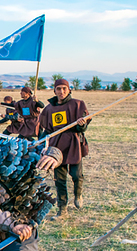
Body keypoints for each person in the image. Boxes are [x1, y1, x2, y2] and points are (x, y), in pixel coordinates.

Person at [38, 78, 90, 219]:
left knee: (76, 175)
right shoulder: (49, 108)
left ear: (69, 90)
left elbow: (82, 128)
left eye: (64, 88)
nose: (61, 91)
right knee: (59, 180)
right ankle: (62, 210)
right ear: (54, 91)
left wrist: (81, 124)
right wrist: (40, 143)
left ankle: (78, 195)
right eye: (58, 89)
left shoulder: (77, 104)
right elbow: (47, 131)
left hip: (73, 144)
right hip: (56, 147)